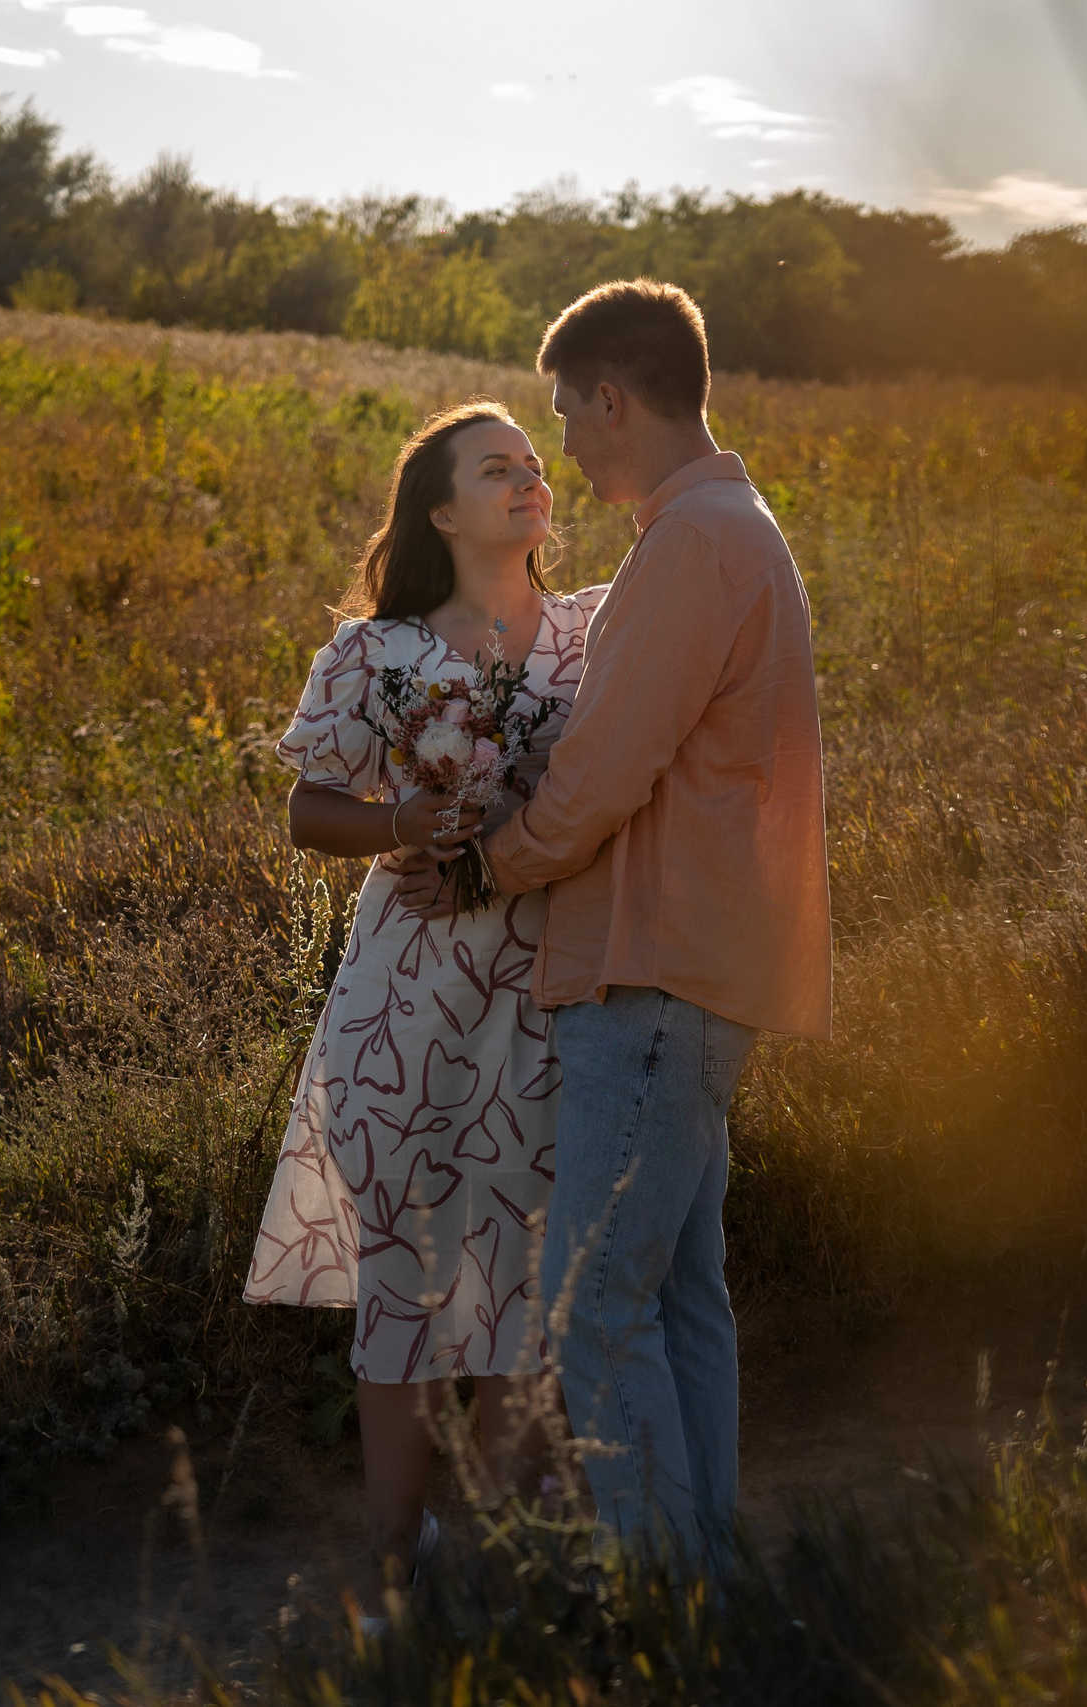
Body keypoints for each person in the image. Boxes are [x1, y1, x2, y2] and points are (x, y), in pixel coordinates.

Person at [396, 280, 833, 1564]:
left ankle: (667, 1605)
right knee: (679, 1295)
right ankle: (704, 1584)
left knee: (591, 1309)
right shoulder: (720, 529)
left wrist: (491, 865)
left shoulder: (696, 544)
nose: (565, 448)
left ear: (612, 396)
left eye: (566, 417)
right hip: (696, 969)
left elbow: (604, 770)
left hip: (654, 977)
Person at [243, 400, 610, 1592]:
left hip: (550, 989)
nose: (528, 479)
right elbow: (307, 811)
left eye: (535, 464)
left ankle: (504, 1554)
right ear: (441, 510)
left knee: (520, 1275)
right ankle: (395, 1561)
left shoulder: (596, 634)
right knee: (405, 1269)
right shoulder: (370, 651)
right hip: (403, 1001)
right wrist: (401, 820)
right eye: (496, 468)